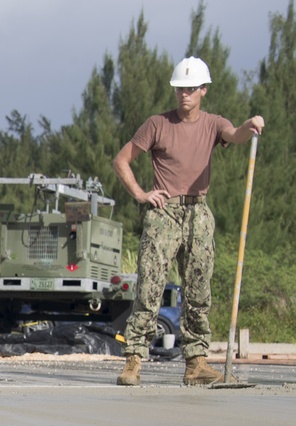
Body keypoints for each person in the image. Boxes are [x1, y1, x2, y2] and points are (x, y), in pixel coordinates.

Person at [112, 56, 264, 386]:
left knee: (198, 290)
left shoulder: (212, 123)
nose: (184, 95)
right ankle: (134, 360)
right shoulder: (157, 124)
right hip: (163, 212)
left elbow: (234, 135)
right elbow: (122, 160)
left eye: (191, 89)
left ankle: (196, 363)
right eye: (180, 89)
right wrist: (141, 194)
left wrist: (248, 125)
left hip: (199, 212)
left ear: (203, 91)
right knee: (150, 286)